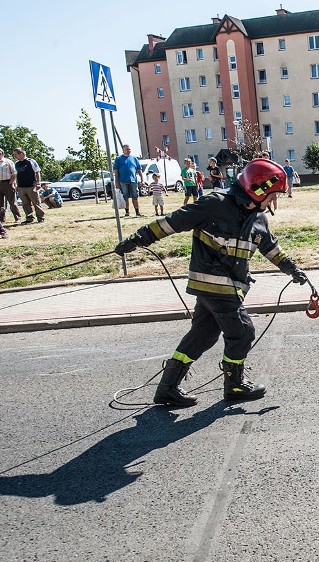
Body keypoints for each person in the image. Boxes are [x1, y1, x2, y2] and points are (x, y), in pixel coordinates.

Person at [113, 158, 308, 407]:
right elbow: (172, 223)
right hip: (214, 282)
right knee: (242, 331)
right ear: (258, 188)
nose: (274, 201)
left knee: (203, 335)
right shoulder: (215, 203)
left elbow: (270, 247)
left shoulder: (258, 218)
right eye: (272, 195)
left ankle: (167, 388)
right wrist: (137, 239)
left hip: (228, 286)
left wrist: (292, 269)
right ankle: (235, 385)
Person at [12, 148, 45, 224]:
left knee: (36, 202)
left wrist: (38, 183)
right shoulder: (16, 164)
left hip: (31, 186)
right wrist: (16, 185)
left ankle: (40, 218)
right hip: (21, 187)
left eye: (15, 154)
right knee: (25, 204)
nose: (15, 156)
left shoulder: (31, 161)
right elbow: (16, 175)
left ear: (21, 154)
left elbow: (37, 172)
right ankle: (29, 218)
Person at [113, 144, 146, 217]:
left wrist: (142, 180)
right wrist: (116, 181)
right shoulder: (118, 159)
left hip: (133, 180)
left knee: (135, 196)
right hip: (123, 181)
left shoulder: (134, 158)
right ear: (123, 150)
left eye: (129, 149)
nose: (128, 151)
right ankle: (127, 212)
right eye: (127, 149)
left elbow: (139, 170)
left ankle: (137, 212)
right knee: (125, 196)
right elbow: (116, 171)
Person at [0, 148, 22, 224]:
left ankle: (17, 217)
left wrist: (11, 182)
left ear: (2, 153)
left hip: (7, 183)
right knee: (1, 204)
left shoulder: (8, 162)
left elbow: (14, 173)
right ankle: (2, 219)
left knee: (12, 202)